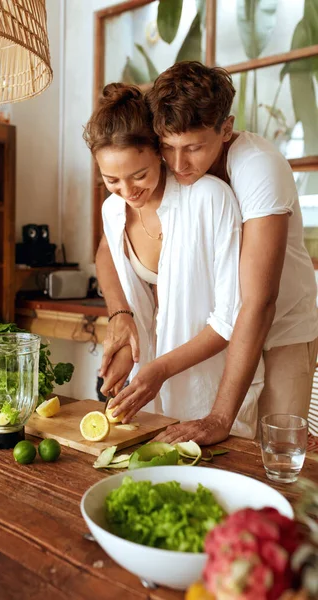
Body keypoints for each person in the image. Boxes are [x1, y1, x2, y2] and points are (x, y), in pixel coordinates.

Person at [96, 61, 318, 446]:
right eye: (167, 147)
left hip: (282, 327)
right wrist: (121, 314)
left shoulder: (256, 169)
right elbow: (108, 245)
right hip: (228, 331)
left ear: (226, 129)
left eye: (194, 148)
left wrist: (219, 417)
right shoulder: (168, 184)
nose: (179, 164)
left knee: (274, 450)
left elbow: (258, 303)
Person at [83, 82, 264, 439]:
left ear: (160, 151)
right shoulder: (113, 211)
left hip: (209, 396)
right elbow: (113, 268)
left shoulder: (211, 200)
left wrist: (159, 369)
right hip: (148, 403)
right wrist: (126, 338)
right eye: (111, 180)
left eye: (139, 175)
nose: (128, 190)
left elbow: (230, 319)